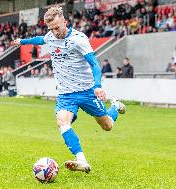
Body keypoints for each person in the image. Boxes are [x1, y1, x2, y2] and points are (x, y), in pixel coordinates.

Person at [13, 6, 125, 173]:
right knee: (62, 122)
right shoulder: (50, 36)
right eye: (51, 29)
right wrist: (22, 42)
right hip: (66, 94)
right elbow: (39, 39)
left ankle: (115, 106)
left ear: (65, 22)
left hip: (87, 91)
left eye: (57, 27)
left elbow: (94, 64)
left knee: (107, 125)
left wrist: (97, 86)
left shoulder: (79, 39)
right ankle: (81, 160)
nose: (54, 32)